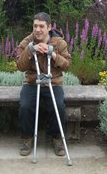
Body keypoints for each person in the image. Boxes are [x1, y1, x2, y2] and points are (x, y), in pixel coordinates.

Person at [16, 12, 72, 157]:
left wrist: (53, 54)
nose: (38, 30)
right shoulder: (26, 42)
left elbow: (67, 65)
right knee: (25, 105)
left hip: (53, 82)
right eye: (35, 26)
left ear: (49, 27)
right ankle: (27, 138)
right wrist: (30, 50)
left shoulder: (60, 43)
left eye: (41, 26)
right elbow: (20, 66)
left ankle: (56, 138)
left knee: (58, 106)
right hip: (32, 82)